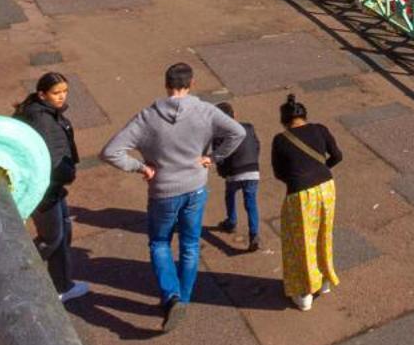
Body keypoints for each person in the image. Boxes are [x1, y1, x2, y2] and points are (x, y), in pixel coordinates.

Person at [100, 62, 246, 331]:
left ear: (166, 85)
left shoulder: (147, 117)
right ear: (192, 84)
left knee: (159, 243)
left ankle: (171, 296)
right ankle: (185, 299)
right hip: (196, 187)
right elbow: (238, 132)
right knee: (190, 245)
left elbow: (110, 152)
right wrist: (214, 158)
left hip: (163, 192)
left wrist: (141, 167)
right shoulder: (206, 111)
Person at [15, 73, 89, 301]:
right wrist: (68, 175)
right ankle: (17, 277)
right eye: (56, 93)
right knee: (52, 239)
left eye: (64, 91)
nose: (62, 96)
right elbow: (57, 159)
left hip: (50, 188)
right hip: (46, 190)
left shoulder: (37, 112)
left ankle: (62, 286)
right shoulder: (46, 122)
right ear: (42, 94)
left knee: (62, 233)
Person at [272, 95, 342, 310]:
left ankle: (304, 293)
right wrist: (320, 169)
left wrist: (300, 177)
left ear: (284, 120)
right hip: (327, 188)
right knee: (323, 233)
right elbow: (337, 156)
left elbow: (279, 173)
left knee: (301, 241)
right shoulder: (320, 129)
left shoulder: (281, 140)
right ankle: (325, 280)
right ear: (304, 116)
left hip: (301, 194)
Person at [214, 102, 263, 251]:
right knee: (251, 204)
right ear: (234, 115)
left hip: (233, 173)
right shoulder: (248, 127)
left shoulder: (218, 136)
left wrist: (222, 172)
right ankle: (254, 234)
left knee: (230, 194)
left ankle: (231, 221)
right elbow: (257, 145)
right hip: (252, 171)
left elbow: (219, 157)